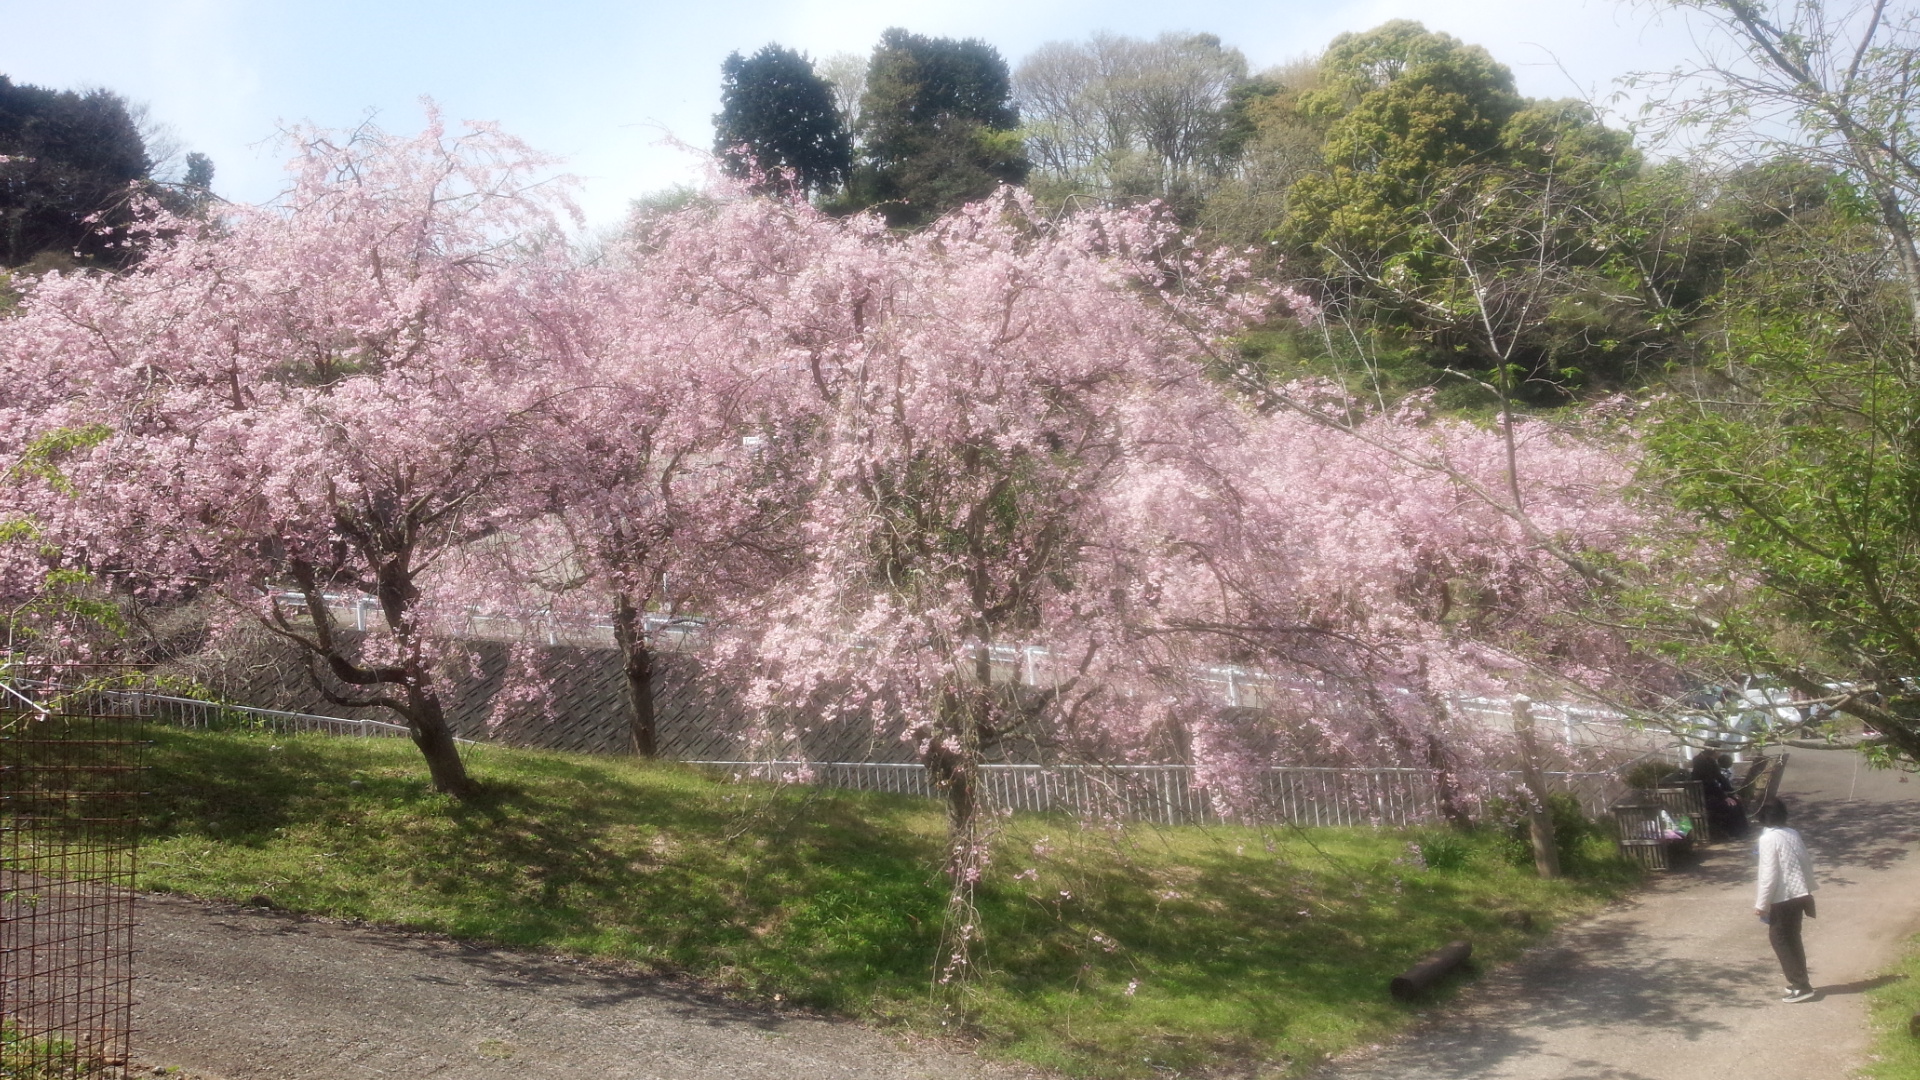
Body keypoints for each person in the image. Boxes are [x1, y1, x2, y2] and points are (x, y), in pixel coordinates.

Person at [1754, 800, 1818, 1003]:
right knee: (1792, 937)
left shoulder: (1768, 839)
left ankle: (1801, 985)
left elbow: (1768, 874)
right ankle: (1800, 981)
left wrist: (1761, 904)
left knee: (1779, 938)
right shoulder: (1792, 833)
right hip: (1799, 893)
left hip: (1783, 897)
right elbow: (1805, 861)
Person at [1691, 747, 1749, 839]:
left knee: (1736, 801)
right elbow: (1709, 783)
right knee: (1731, 805)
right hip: (1704, 796)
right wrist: (1724, 797)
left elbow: (1720, 778)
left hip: (1713, 793)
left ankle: (1743, 831)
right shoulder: (1699, 761)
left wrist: (1732, 793)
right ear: (1714, 751)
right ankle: (1733, 832)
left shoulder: (1711, 761)